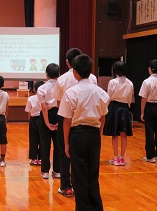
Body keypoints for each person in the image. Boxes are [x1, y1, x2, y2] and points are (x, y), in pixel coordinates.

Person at [58, 54, 109, 211]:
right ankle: (96, 207)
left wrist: (66, 143)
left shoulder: (71, 92)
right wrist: (98, 135)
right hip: (94, 135)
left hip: (77, 134)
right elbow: (103, 117)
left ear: (75, 72)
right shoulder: (101, 92)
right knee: (93, 174)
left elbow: (67, 120)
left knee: (79, 175)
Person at [53, 48, 97, 197]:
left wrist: (67, 114)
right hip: (88, 119)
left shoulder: (62, 79)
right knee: (86, 157)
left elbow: (59, 103)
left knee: (65, 151)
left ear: (67, 62)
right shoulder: (93, 78)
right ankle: (82, 186)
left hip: (67, 117)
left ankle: (66, 187)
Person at [103, 61, 134, 166]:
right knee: (124, 134)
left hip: (114, 107)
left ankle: (116, 158)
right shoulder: (130, 82)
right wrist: (127, 106)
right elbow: (130, 98)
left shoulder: (113, 82)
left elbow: (109, 96)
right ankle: (122, 158)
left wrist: (105, 108)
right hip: (125, 108)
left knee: (114, 134)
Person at [139, 59, 157, 163]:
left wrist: (142, 112)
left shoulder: (146, 81)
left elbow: (144, 97)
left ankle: (150, 156)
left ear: (150, 69)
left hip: (149, 107)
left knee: (149, 131)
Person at [37, 63, 60, 179]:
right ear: (58, 74)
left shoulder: (42, 88)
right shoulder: (62, 86)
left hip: (46, 115)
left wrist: (46, 122)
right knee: (58, 144)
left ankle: (45, 171)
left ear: (46, 75)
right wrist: (60, 120)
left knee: (45, 144)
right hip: (59, 113)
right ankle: (57, 171)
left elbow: (44, 107)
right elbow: (61, 104)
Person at [25, 80, 44, 165]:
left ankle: (33, 159)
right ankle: (41, 158)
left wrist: (30, 121)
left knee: (33, 139)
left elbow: (29, 112)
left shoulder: (31, 98)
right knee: (43, 140)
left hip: (34, 119)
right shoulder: (45, 97)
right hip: (43, 119)